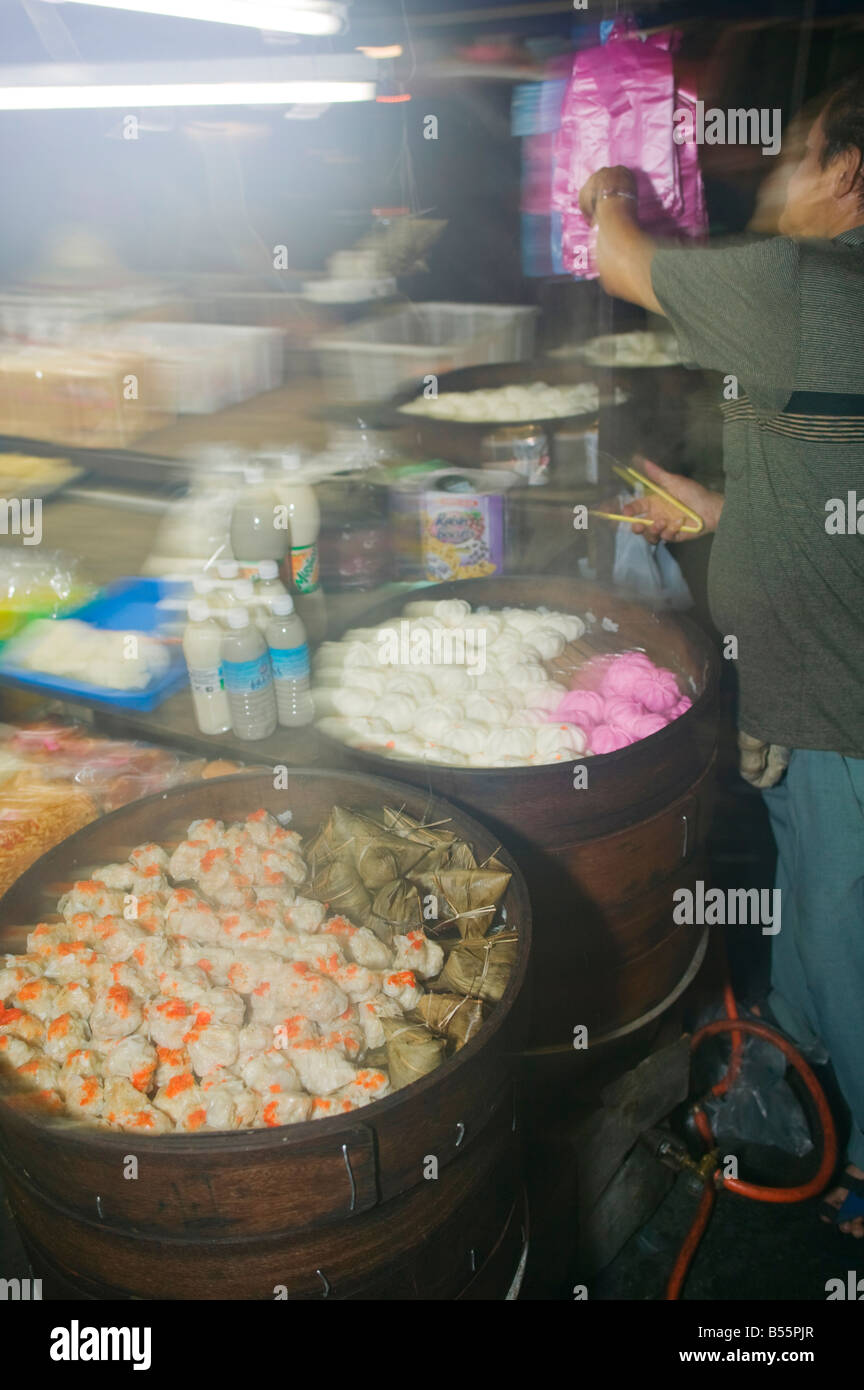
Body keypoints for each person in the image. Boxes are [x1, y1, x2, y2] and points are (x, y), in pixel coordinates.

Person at [579, 72, 864, 1237]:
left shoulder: (799, 281)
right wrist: (710, 512)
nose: (774, 177)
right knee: (815, 914)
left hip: (841, 712)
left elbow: (616, 257)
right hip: (814, 697)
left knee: (845, 939)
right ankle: (796, 1086)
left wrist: (605, 173)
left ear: (848, 173)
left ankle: (856, 1166)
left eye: (796, 156)